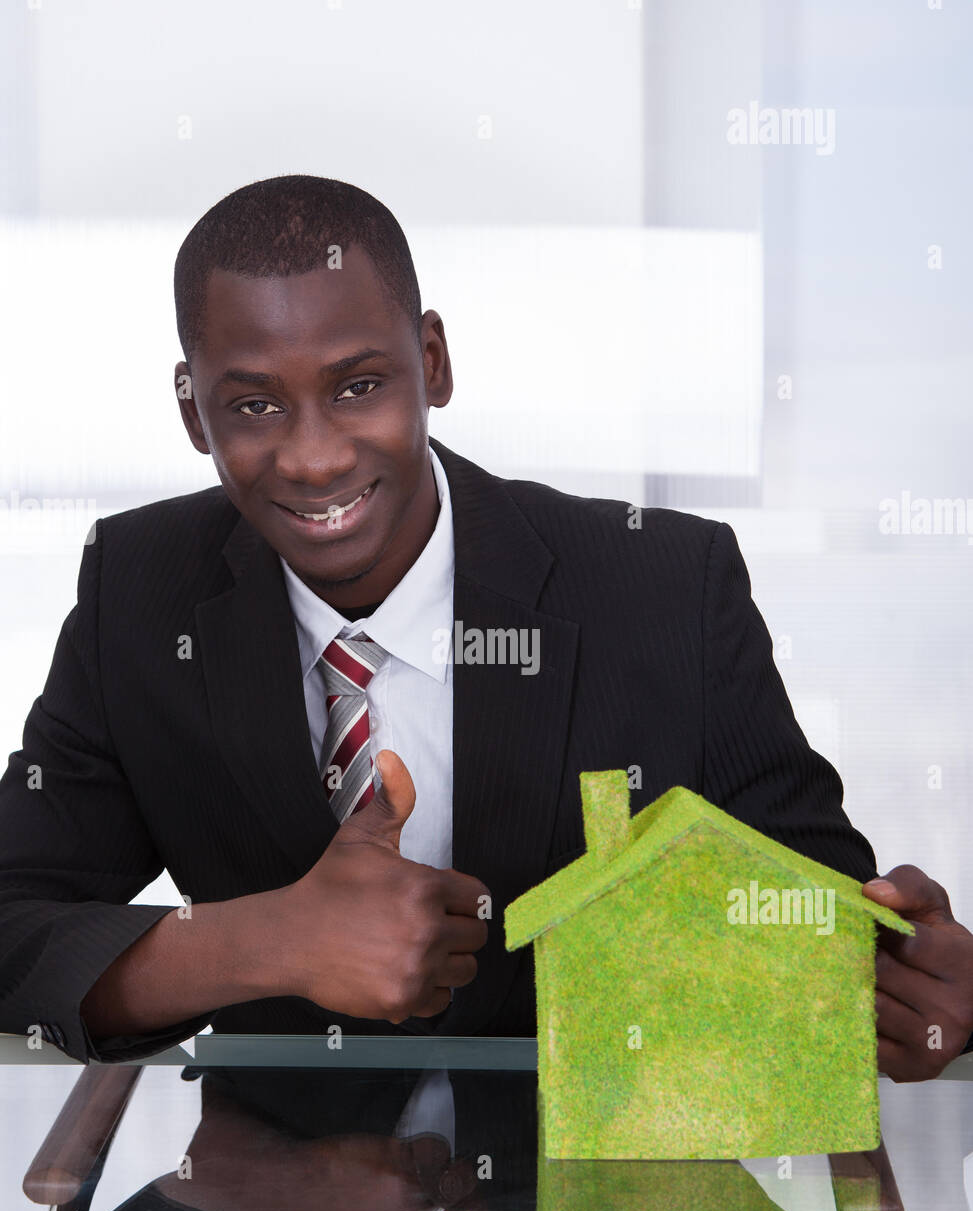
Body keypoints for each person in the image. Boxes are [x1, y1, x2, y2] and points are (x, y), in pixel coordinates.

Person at [0, 174, 970, 1084]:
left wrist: (910, 978)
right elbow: (9, 920)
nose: (312, 456)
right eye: (253, 404)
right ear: (192, 409)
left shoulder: (662, 584)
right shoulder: (140, 589)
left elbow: (821, 927)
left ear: (431, 361)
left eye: (357, 385)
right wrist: (259, 940)